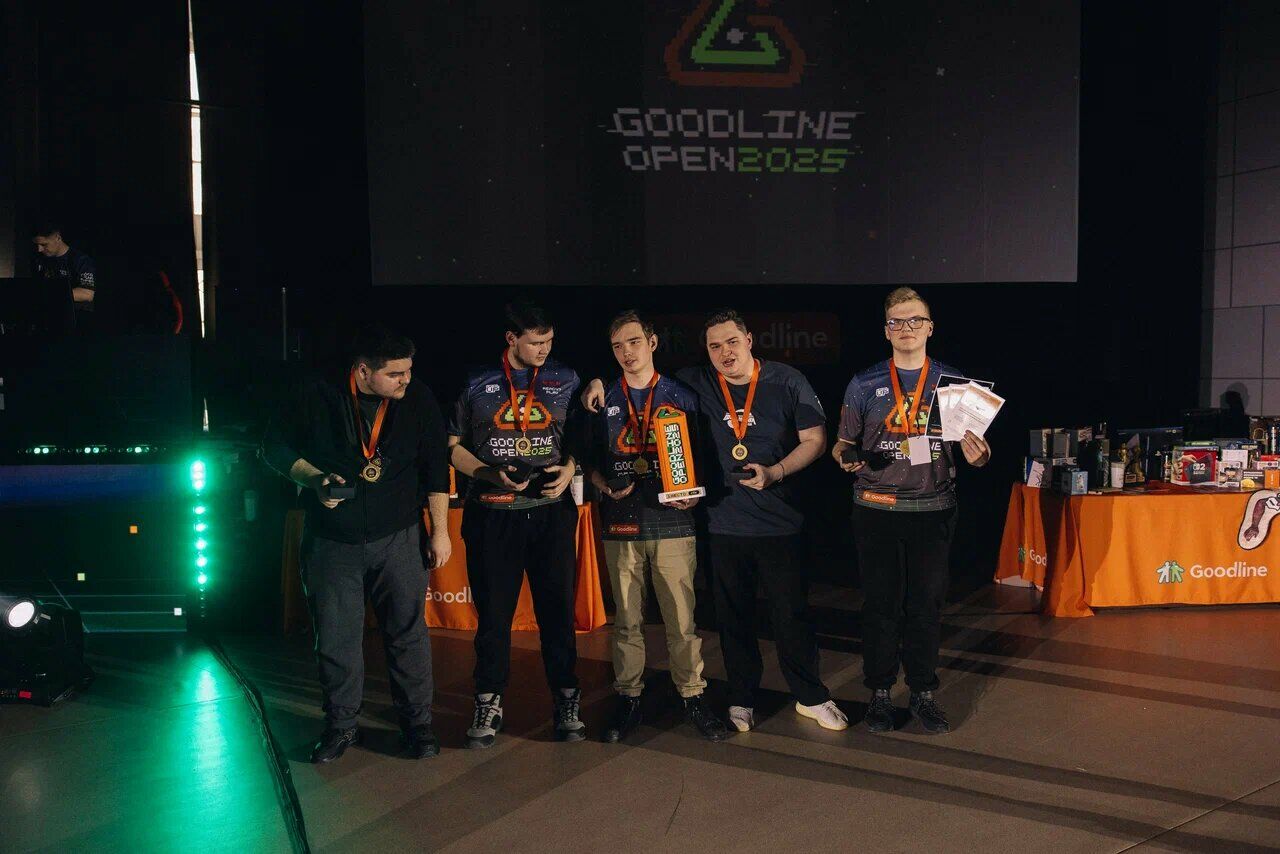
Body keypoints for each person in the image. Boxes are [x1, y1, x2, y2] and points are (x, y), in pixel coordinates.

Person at [585, 309, 847, 734]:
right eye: (714, 346)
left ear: (749, 340)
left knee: (791, 616)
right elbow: (638, 375)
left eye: (732, 342)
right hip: (723, 525)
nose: (725, 352)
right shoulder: (696, 383)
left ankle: (811, 696)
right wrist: (597, 381)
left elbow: (816, 440)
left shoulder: (786, 380)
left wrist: (776, 472)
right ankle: (742, 697)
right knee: (732, 619)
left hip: (780, 524)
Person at [261, 325, 451, 763]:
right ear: (364, 371)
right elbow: (273, 447)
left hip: (399, 535)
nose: (406, 380)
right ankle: (341, 726)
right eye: (395, 374)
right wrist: (315, 479)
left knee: (408, 633)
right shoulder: (315, 393)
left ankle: (417, 724)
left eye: (409, 371)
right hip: (333, 541)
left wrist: (440, 531)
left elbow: (435, 466)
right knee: (336, 639)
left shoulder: (418, 398)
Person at [832, 287, 991, 735]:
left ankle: (922, 692)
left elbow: (979, 453)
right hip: (876, 507)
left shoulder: (954, 383)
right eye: (897, 321)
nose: (906, 328)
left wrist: (980, 456)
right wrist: (846, 459)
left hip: (933, 508)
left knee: (926, 606)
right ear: (886, 330)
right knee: (881, 605)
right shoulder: (864, 383)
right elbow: (841, 445)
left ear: (930, 327)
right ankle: (880, 693)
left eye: (915, 320)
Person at [448, 301, 584, 748]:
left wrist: (570, 468)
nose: (544, 349)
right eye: (535, 342)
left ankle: (567, 699)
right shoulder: (475, 381)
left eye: (550, 341)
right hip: (492, 514)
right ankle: (488, 701)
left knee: (558, 615)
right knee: (493, 620)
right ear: (511, 339)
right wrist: (488, 473)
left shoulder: (567, 379)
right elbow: (452, 446)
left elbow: (580, 439)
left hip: (550, 515)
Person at [587, 310, 727, 743]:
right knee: (626, 622)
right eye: (617, 346)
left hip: (673, 521)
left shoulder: (681, 395)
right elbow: (588, 458)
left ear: (652, 342)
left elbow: (705, 456)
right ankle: (628, 697)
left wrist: (696, 492)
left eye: (633, 342)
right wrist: (600, 484)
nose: (626, 353)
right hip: (621, 523)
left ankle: (693, 696)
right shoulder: (602, 398)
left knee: (681, 621)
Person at [33, 220, 96, 328]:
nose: (39, 249)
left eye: (44, 244)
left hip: (77, 319)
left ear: (58, 238)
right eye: (37, 245)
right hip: (49, 318)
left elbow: (87, 294)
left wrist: (50, 293)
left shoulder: (81, 260)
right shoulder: (41, 260)